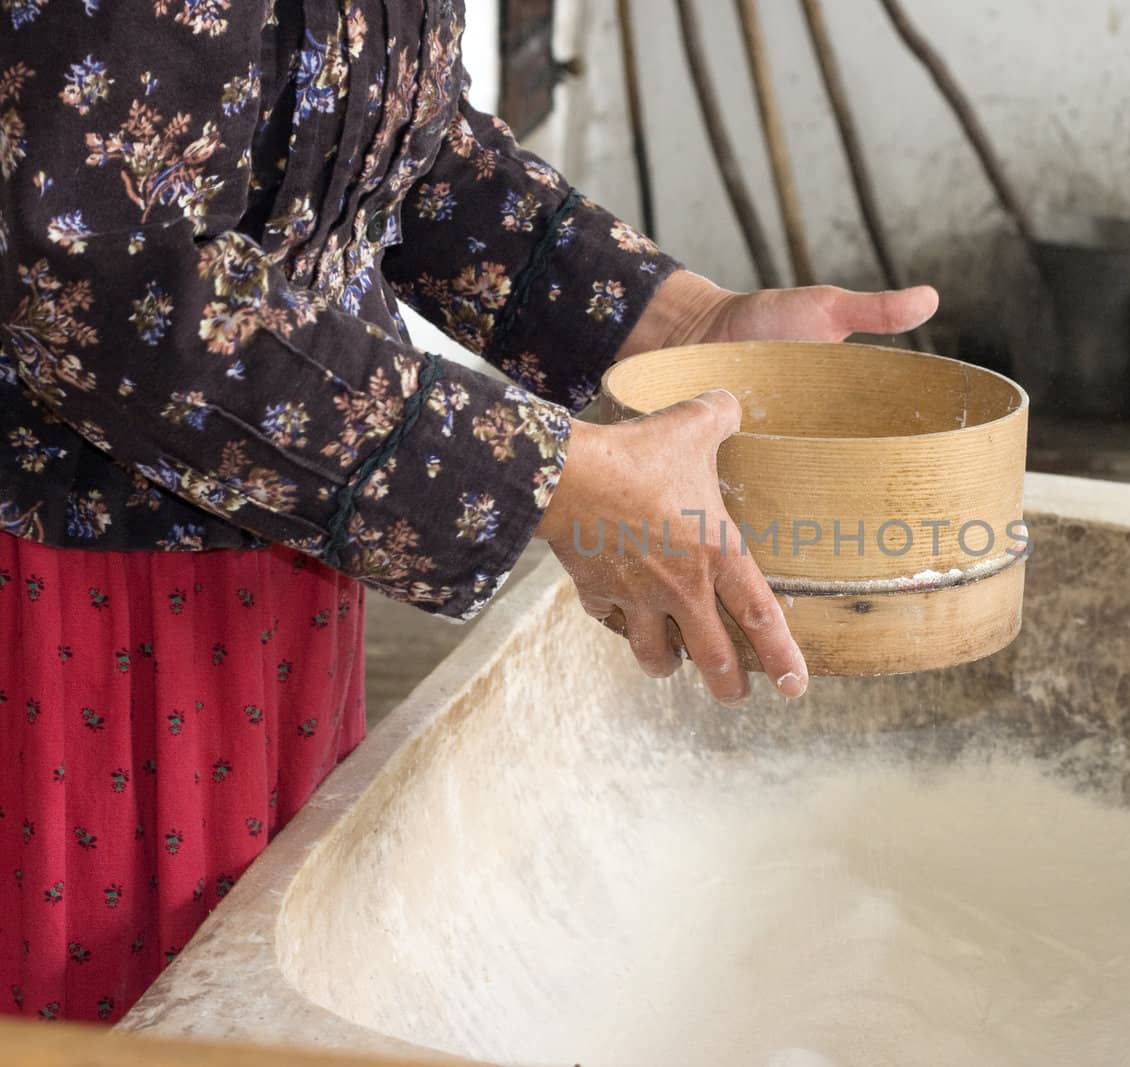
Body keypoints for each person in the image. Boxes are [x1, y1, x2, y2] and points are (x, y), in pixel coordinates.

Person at [0, 0, 936, 1024]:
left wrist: (682, 324)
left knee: (237, 995)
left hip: (281, 533)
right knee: (102, 1016)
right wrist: (547, 475)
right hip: (69, 582)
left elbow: (403, 145)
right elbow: (94, 273)